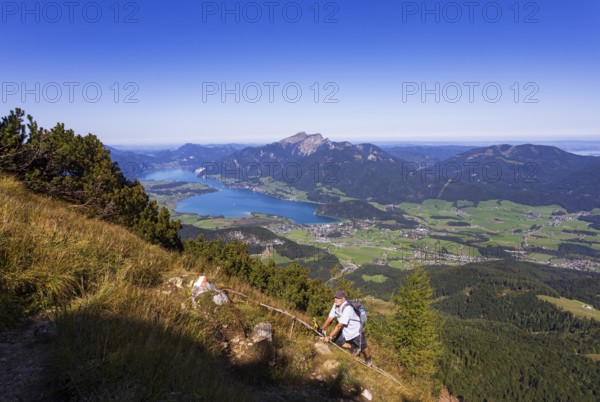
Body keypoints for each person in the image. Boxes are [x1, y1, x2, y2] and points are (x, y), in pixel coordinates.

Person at [320, 290, 372, 367]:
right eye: (335, 298)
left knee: (364, 347)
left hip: (356, 331)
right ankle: (354, 349)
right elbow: (330, 318)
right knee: (338, 341)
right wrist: (322, 329)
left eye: (338, 298)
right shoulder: (335, 305)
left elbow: (339, 325)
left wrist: (330, 336)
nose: (336, 300)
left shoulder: (348, 308)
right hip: (345, 330)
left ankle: (368, 359)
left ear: (343, 299)